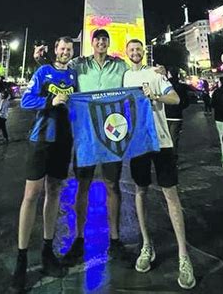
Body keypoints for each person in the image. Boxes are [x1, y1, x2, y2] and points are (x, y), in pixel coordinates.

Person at [124, 40, 196, 290]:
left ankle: (183, 256)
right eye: (131, 49)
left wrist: (156, 95)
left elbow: (175, 98)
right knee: (140, 191)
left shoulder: (155, 73)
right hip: (138, 143)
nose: (135, 52)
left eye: (138, 49)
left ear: (143, 52)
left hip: (162, 141)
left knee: (171, 195)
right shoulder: (122, 77)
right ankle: (146, 244)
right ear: (126, 53)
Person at [11, 36, 77, 292]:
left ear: (72, 52)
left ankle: (48, 251)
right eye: (61, 48)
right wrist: (51, 101)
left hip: (63, 142)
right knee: (31, 195)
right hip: (41, 140)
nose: (64, 52)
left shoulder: (73, 76)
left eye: (69, 49)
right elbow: (27, 100)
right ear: (55, 49)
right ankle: (21, 257)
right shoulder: (42, 71)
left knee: (55, 192)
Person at [63, 28, 128, 267]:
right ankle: (79, 238)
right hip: (86, 134)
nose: (101, 42)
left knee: (112, 184)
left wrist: (158, 72)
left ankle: (115, 238)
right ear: (92, 43)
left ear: (108, 43)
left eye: (105, 39)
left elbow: (136, 78)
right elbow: (58, 71)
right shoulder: (79, 65)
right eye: (98, 39)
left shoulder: (119, 66)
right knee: (83, 185)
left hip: (111, 132)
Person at [164, 67, 189, 159]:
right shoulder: (181, 86)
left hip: (165, 115)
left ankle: (166, 158)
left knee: (165, 139)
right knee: (174, 138)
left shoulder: (165, 84)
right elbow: (186, 102)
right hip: (177, 116)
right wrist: (179, 107)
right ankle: (173, 158)